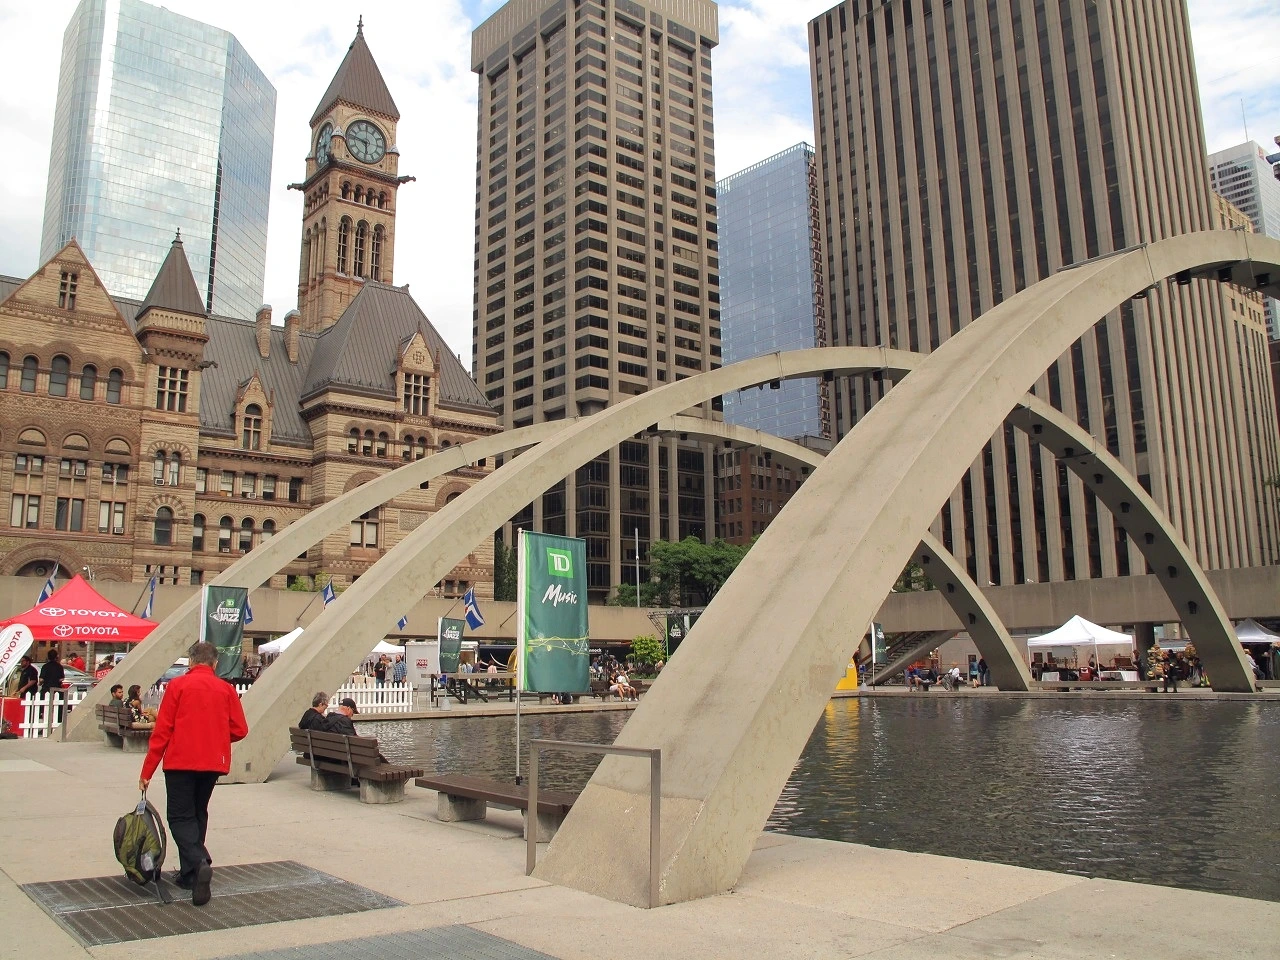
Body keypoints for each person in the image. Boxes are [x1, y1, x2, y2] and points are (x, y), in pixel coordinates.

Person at [138, 642, 248, 907]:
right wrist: (217, 737)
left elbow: (162, 731)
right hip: (212, 762)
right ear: (215, 663)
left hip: (181, 760)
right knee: (198, 813)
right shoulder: (226, 689)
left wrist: (147, 770)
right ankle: (190, 875)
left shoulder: (177, 686)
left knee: (179, 816)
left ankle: (199, 863)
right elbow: (240, 729)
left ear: (190, 661)